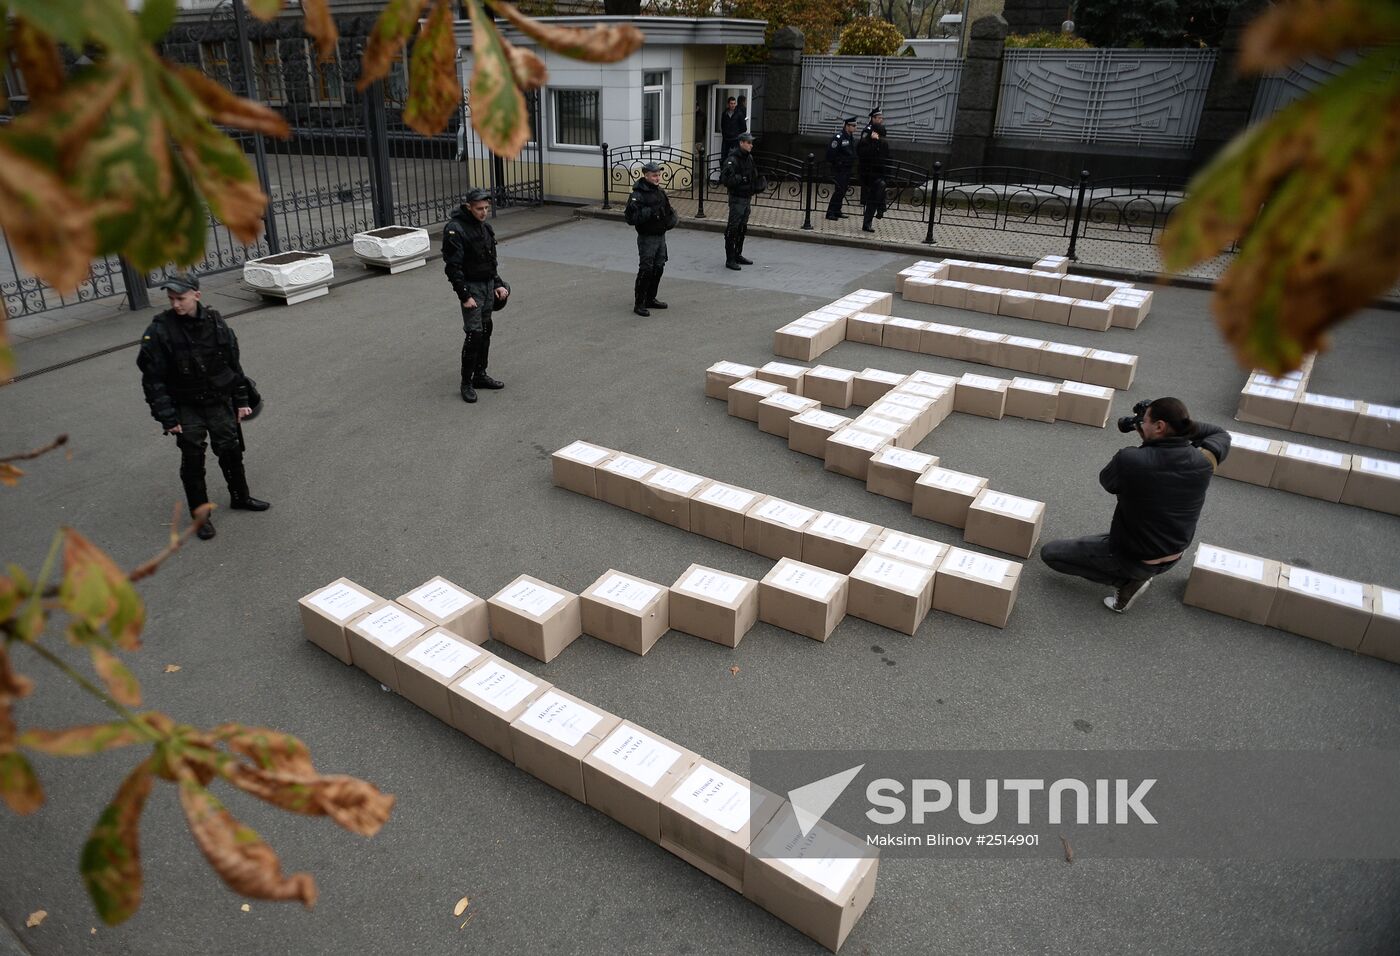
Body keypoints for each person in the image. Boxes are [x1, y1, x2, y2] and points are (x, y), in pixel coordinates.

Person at [1040, 397, 1232, 613]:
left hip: (1135, 557)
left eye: (1145, 421)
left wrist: (1147, 440)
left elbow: (1108, 481)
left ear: (1159, 426)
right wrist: (1178, 425)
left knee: (1051, 553)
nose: (1140, 424)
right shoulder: (1204, 461)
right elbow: (1220, 433)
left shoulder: (1131, 459)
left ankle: (1128, 583)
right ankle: (1138, 572)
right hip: (1175, 552)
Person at [137, 273, 269, 542]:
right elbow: (153, 381)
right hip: (185, 406)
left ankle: (240, 497)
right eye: (171, 299)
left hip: (218, 401)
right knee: (193, 460)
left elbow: (233, 366)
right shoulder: (160, 330)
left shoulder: (216, 323)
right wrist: (167, 418)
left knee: (231, 450)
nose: (176, 304)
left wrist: (242, 401)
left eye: (181, 299)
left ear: (196, 295)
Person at [442, 187, 510, 404]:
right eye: (479, 208)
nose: (483, 212)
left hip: (487, 285)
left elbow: (490, 261)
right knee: (475, 334)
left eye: (486, 208)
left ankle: (480, 375)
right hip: (472, 289)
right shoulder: (455, 229)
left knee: (486, 328)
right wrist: (464, 295)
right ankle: (466, 382)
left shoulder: (485, 228)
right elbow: (453, 267)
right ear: (468, 207)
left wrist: (498, 284)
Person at [624, 161, 678, 317]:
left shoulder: (659, 191)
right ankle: (639, 303)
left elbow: (668, 210)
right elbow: (630, 218)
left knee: (659, 266)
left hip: (660, 236)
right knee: (646, 269)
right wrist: (650, 212)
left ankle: (650, 298)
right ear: (646, 175)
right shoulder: (637, 194)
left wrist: (672, 220)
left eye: (659, 175)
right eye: (654, 175)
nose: (657, 178)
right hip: (647, 238)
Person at [720, 132, 765, 271]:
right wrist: (742, 179)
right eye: (749, 142)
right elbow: (726, 180)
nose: (751, 145)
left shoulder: (749, 158)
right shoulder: (732, 160)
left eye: (751, 143)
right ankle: (730, 259)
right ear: (741, 143)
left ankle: (738, 254)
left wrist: (757, 184)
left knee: (742, 228)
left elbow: (753, 174)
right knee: (733, 228)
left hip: (746, 198)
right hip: (737, 199)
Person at [856, 112, 890, 234]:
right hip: (868, 175)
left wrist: (887, 175)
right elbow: (865, 155)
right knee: (874, 197)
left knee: (878, 192)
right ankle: (880, 209)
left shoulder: (883, 143)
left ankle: (879, 210)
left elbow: (887, 160)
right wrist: (874, 143)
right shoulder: (865, 142)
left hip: (879, 175)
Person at [825, 117, 858, 221]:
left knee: (843, 190)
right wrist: (838, 164)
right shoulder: (838, 137)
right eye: (853, 126)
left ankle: (837, 210)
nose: (855, 128)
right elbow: (831, 154)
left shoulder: (850, 137)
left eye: (855, 126)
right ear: (847, 126)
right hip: (840, 168)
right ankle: (830, 212)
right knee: (839, 190)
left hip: (847, 168)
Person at [719, 95, 746, 163]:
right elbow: (722, 126)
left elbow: (744, 128)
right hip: (726, 140)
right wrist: (725, 135)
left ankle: (733, 172)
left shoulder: (739, 114)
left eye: (734, 103)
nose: (733, 105)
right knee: (724, 158)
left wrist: (737, 135)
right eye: (731, 103)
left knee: (734, 158)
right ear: (728, 104)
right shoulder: (724, 114)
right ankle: (724, 172)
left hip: (735, 140)